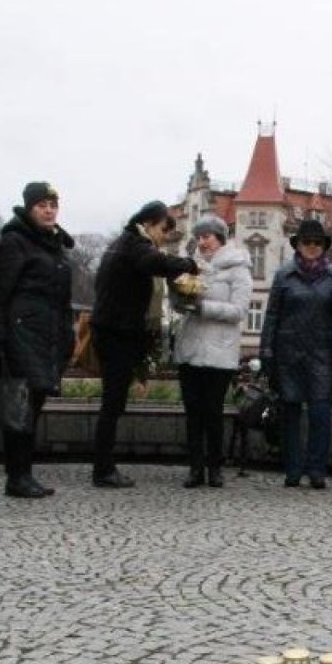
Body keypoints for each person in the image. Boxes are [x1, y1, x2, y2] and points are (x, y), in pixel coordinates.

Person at [90, 200, 197, 488]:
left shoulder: (121, 242)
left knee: (112, 403)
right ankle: (103, 469)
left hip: (111, 329)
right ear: (149, 223)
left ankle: (104, 465)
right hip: (117, 333)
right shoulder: (136, 245)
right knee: (112, 404)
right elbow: (157, 263)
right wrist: (189, 265)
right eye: (164, 229)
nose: (164, 236)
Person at [0, 181, 74, 498]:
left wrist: (66, 336)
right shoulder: (15, 242)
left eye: (53, 205)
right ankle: (17, 476)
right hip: (21, 335)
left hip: (46, 337)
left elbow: (61, 301)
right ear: (29, 208)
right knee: (19, 409)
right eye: (42, 205)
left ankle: (24, 473)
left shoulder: (55, 246)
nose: (49, 210)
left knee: (32, 407)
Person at [260, 218, 332, 489]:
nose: (311, 247)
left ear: (324, 247)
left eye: (317, 243)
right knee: (290, 413)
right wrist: (266, 349)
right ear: (297, 245)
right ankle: (293, 468)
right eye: (306, 242)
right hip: (289, 352)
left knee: (321, 413)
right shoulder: (284, 275)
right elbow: (272, 314)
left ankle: (317, 468)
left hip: (322, 353)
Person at [172, 216, 252, 487]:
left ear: (220, 238)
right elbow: (179, 301)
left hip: (219, 353)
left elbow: (239, 311)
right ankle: (195, 468)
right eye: (200, 237)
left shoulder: (238, 269)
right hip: (191, 348)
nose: (203, 242)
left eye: (208, 236)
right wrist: (180, 299)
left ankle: (215, 468)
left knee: (212, 412)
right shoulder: (192, 266)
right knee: (193, 412)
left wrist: (203, 308)